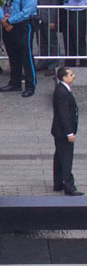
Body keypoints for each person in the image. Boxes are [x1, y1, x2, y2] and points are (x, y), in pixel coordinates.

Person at [4, 0, 39, 96]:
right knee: (13, 55)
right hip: (8, 24)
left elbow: (27, 11)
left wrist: (10, 21)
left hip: (23, 25)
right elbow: (2, 3)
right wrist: (4, 20)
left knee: (26, 55)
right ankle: (15, 82)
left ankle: (30, 86)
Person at [57, 65, 80, 195]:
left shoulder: (63, 89)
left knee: (60, 155)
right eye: (71, 75)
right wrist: (69, 133)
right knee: (66, 157)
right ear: (64, 77)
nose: (74, 76)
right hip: (63, 131)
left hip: (59, 130)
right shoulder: (62, 92)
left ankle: (58, 183)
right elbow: (64, 114)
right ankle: (69, 186)